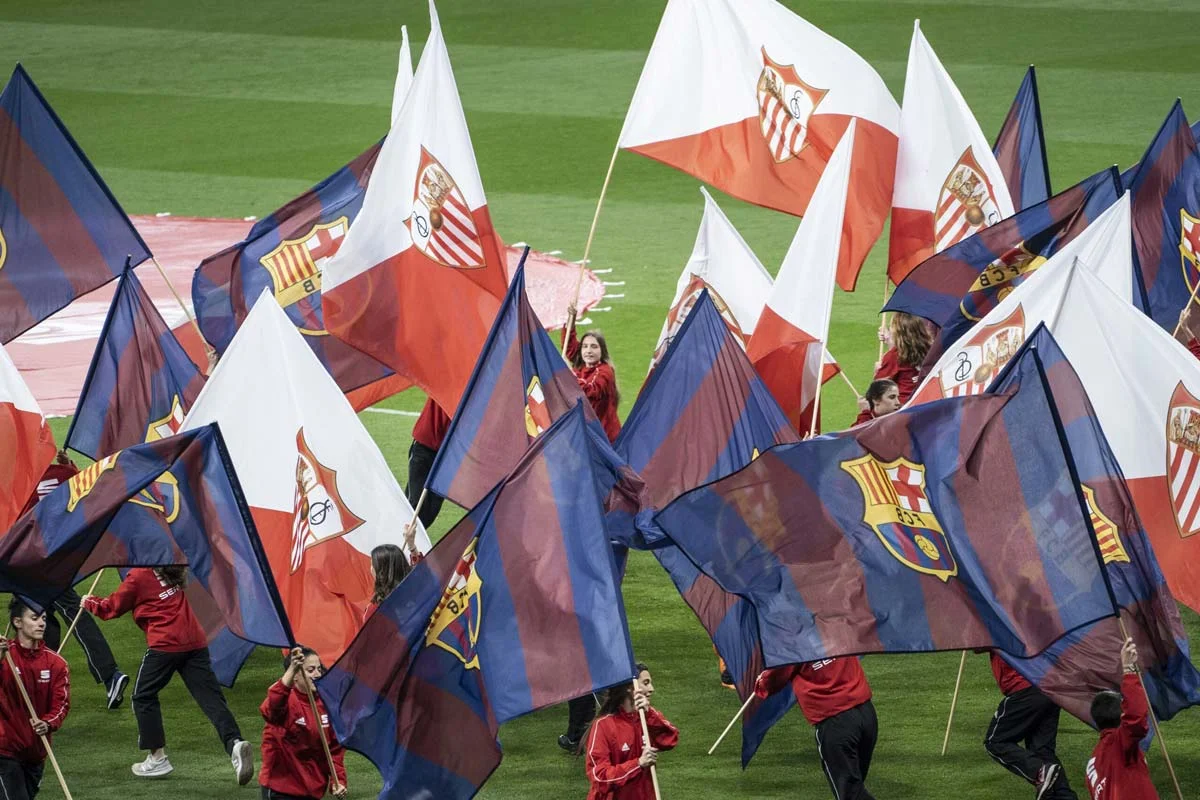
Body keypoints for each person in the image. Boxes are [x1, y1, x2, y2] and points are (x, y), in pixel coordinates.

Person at [82, 567, 254, 783]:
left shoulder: (139, 576)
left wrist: (89, 602)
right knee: (211, 699)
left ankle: (157, 758)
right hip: (195, 641)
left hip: (165, 643)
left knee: (143, 696)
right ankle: (235, 743)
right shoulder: (172, 568)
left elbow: (112, 608)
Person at [19, 451, 128, 710]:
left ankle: (109, 674)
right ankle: (44, 681)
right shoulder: (65, 473)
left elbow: (17, 522)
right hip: (65, 555)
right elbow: (90, 491)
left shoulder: (25, 483)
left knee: (56, 614)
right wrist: (70, 466)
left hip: (36, 560)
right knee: (45, 619)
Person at [755, 657, 877, 800]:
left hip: (836, 723)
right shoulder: (839, 640)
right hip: (866, 714)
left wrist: (761, 682)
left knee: (851, 794)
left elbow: (773, 679)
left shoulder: (795, 646)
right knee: (854, 787)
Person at [0, 598, 70, 800]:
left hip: (36, 753)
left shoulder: (57, 664)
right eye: (34, 618)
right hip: (5, 750)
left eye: (44, 618)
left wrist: (47, 723)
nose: (41, 623)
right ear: (17, 622)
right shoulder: (5, 657)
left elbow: (61, 704)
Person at [982, 651, 1076, 799]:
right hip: (1049, 684)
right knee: (1042, 750)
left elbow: (978, 643)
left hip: (1024, 687)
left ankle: (1039, 772)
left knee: (995, 742)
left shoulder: (999, 633)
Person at [260, 646, 347, 800]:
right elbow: (272, 709)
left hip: (313, 790)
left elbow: (334, 749)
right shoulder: (285, 700)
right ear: (295, 675)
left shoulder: (327, 705)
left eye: (319, 669)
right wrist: (292, 669)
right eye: (310, 670)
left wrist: (338, 780)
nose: (317, 674)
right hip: (282, 789)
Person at [584, 663, 677, 800]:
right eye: (646, 683)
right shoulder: (603, 726)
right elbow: (600, 777)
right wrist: (638, 764)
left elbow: (670, 739)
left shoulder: (646, 718)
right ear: (630, 687)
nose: (651, 689)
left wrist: (649, 714)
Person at [1085, 639, 1157, 800]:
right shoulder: (1120, 743)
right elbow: (1136, 718)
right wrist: (1129, 670)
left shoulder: (1093, 763)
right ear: (1122, 716)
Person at [854, 313, 932, 425]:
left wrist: (877, 372)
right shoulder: (932, 350)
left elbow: (878, 391)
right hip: (927, 407)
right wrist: (890, 343)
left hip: (901, 413)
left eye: (891, 327)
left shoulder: (894, 356)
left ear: (898, 332)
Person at [564, 312, 621, 443]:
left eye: (594, 347)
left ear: (602, 351)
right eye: (585, 346)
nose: (588, 351)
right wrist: (571, 319)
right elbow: (570, 347)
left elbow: (590, 390)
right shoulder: (582, 367)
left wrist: (569, 374)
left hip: (604, 438)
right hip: (588, 434)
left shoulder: (605, 372)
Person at [407, 398, 451, 529]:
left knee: (430, 510)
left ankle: (406, 540)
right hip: (425, 447)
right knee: (416, 507)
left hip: (447, 455)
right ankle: (401, 539)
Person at [362, 540, 422, 622]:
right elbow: (421, 569)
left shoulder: (374, 611)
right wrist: (412, 546)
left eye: (373, 565)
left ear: (381, 572)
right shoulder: (417, 583)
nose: (371, 569)